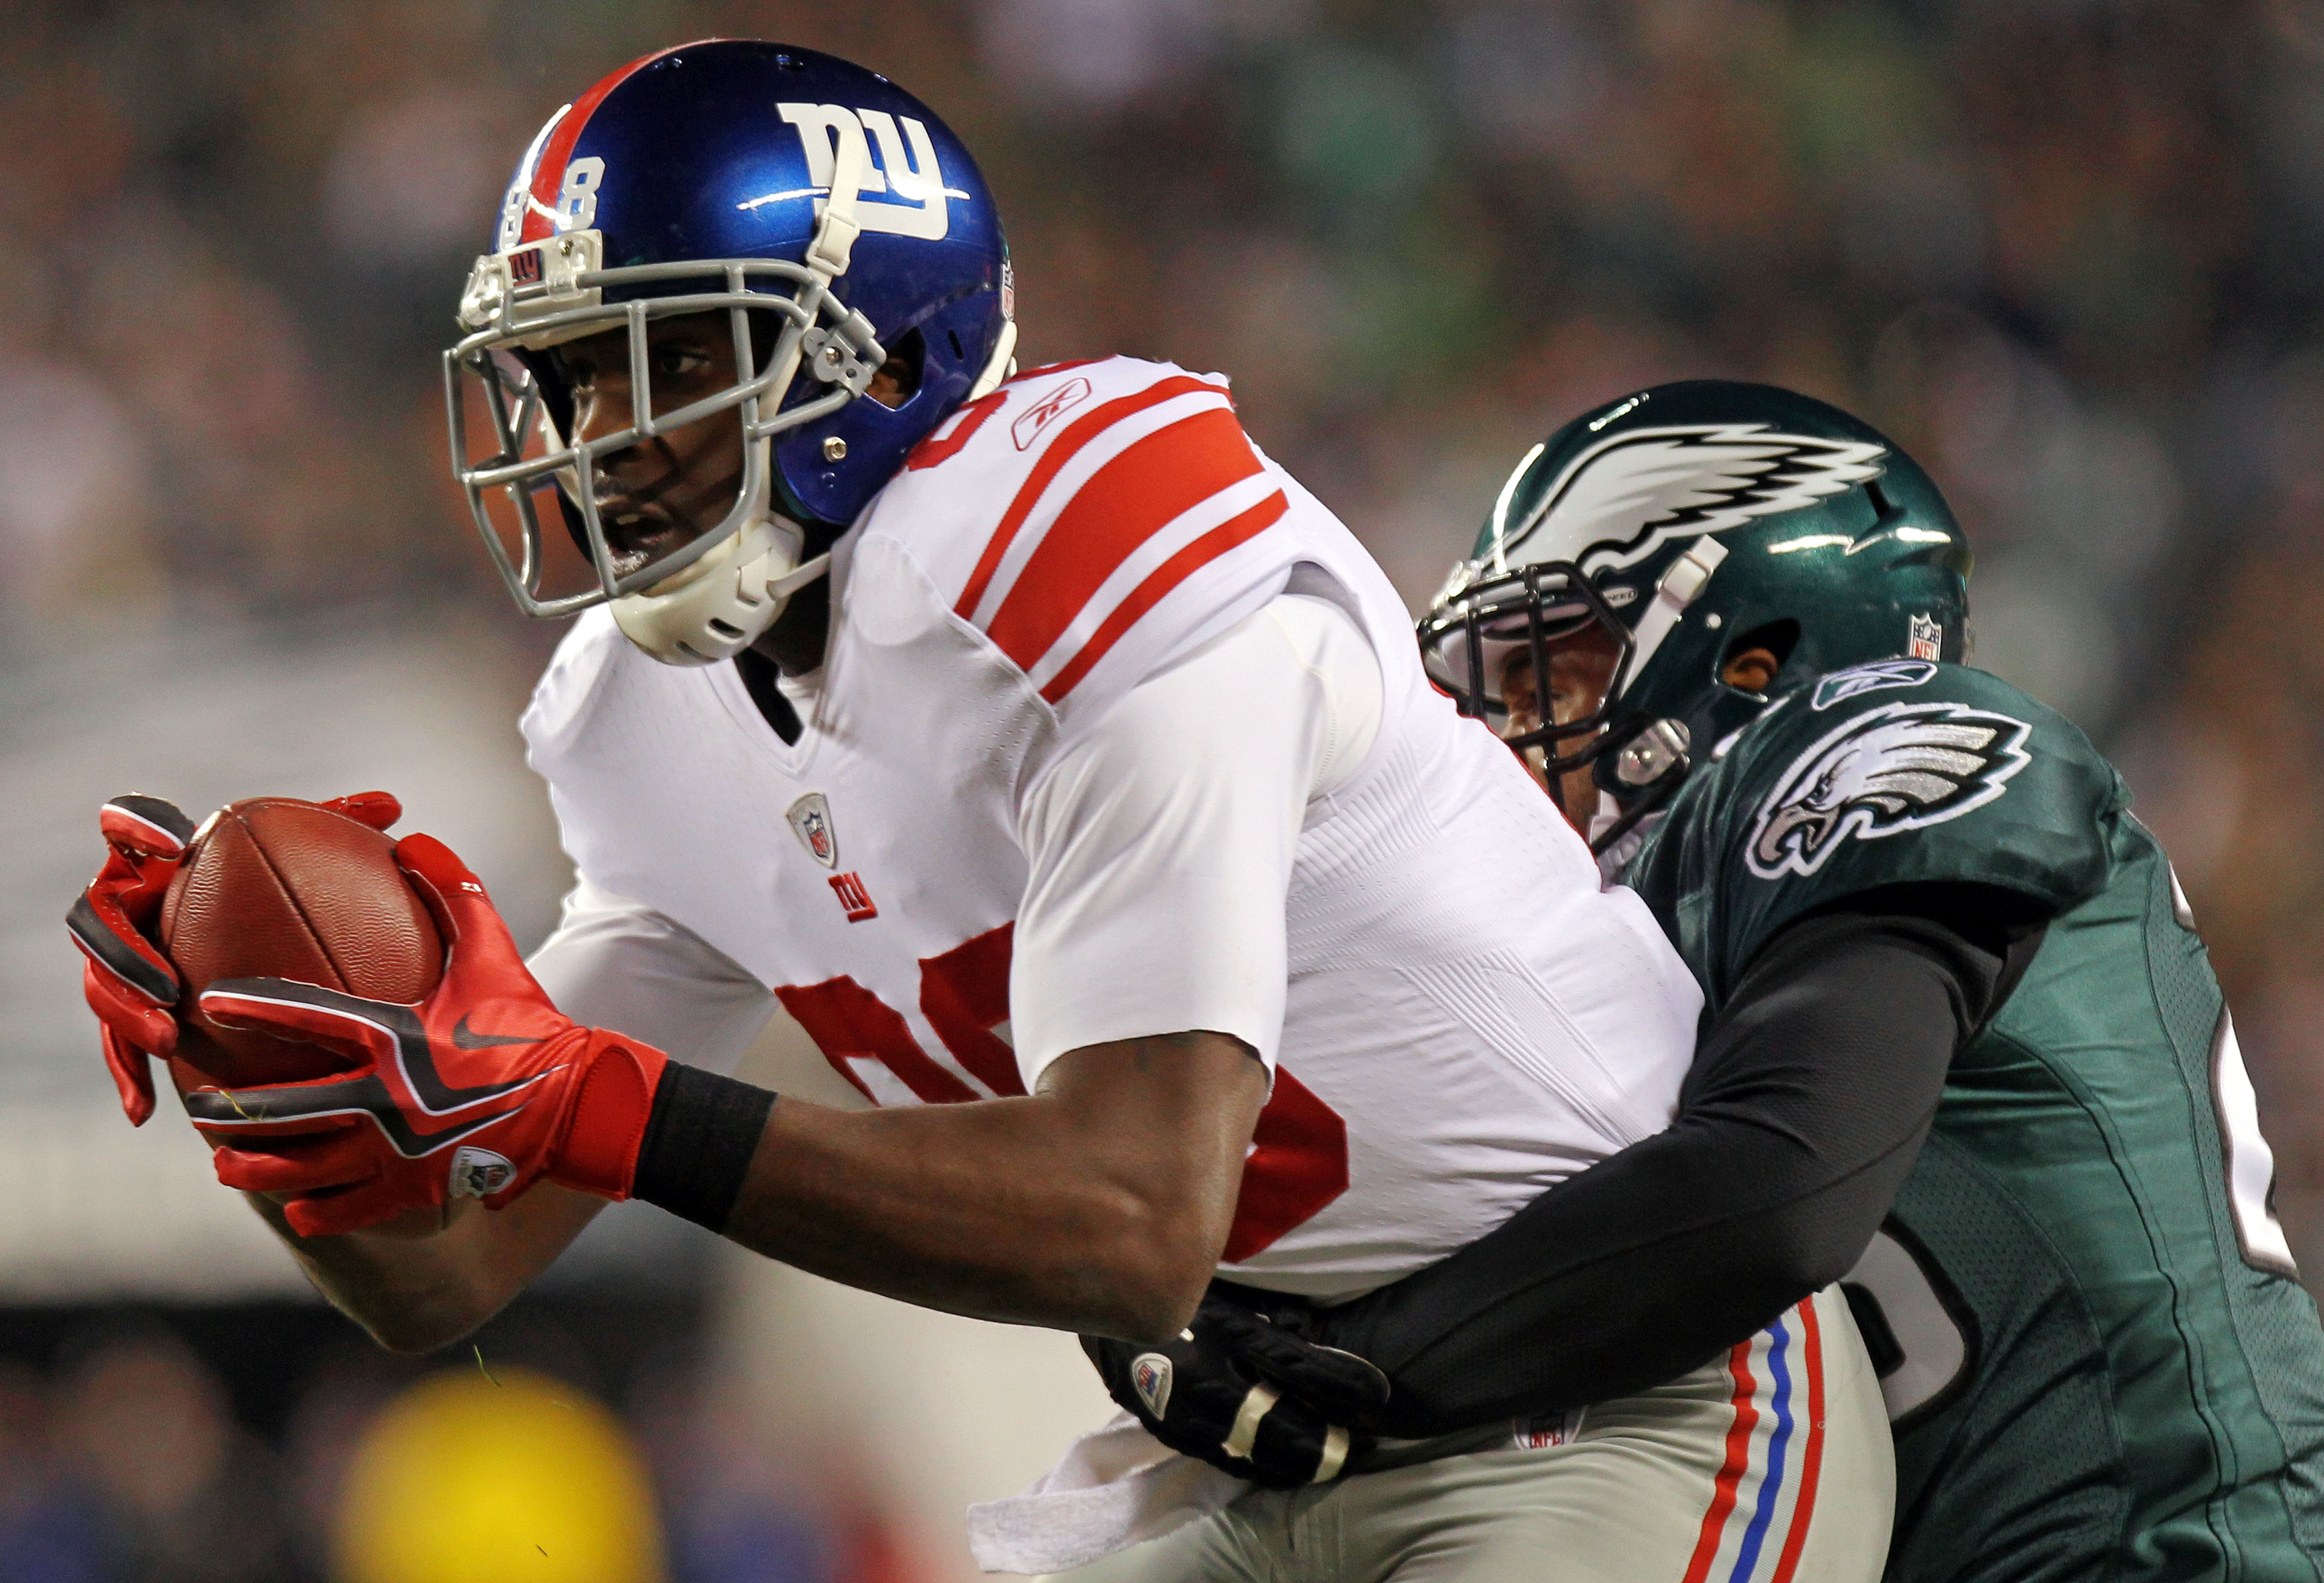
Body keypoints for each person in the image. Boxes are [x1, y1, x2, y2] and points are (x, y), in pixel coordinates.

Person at [66, 45, 1894, 1583]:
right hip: (1253, 1454)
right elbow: (444, 1266)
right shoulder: (651, 723)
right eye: (570, 369)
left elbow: (1126, 1219)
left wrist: (591, 1098)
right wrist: (275, 1081)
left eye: (669, 360)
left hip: (1621, 1394)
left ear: (877, 359)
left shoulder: (1086, 555)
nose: (598, 430)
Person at [1094, 381, 2324, 1582]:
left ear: (1747, 651)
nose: (1499, 735)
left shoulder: (1888, 734)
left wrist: (1358, 1367)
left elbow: (1780, 1184)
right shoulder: (1609, 932)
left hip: (2165, 1544)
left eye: (1549, 677)